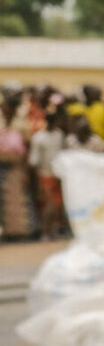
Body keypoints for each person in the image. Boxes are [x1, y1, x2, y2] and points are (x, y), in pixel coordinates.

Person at [0, 92, 37, 240]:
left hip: (16, 167)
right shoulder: (2, 123)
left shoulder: (20, 124)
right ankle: (7, 232)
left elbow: (27, 145)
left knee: (19, 199)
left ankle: (21, 232)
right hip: (2, 166)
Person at [28, 107, 68, 239]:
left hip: (59, 174)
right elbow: (34, 161)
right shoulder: (39, 138)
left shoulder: (59, 135)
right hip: (45, 174)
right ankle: (45, 232)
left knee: (57, 206)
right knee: (48, 205)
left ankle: (54, 231)